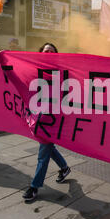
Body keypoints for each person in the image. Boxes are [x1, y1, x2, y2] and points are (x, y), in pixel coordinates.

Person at [22, 43, 71, 201]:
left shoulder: (62, 72)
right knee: (47, 147)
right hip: (39, 117)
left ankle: (34, 187)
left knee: (43, 152)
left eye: (52, 52)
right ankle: (64, 167)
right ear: (40, 54)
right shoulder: (34, 70)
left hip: (54, 119)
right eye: (45, 51)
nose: (48, 53)